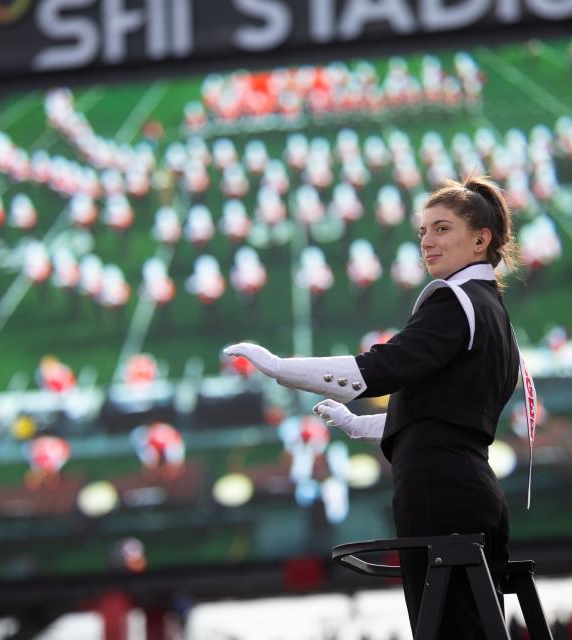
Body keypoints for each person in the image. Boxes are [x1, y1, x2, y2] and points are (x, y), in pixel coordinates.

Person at [225, 175, 527, 637]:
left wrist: (282, 369)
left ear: (481, 239)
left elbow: (379, 369)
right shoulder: (491, 308)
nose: (427, 241)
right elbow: (448, 414)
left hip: (439, 489)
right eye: (423, 231)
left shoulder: (455, 300)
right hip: (469, 486)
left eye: (442, 228)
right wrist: (364, 426)